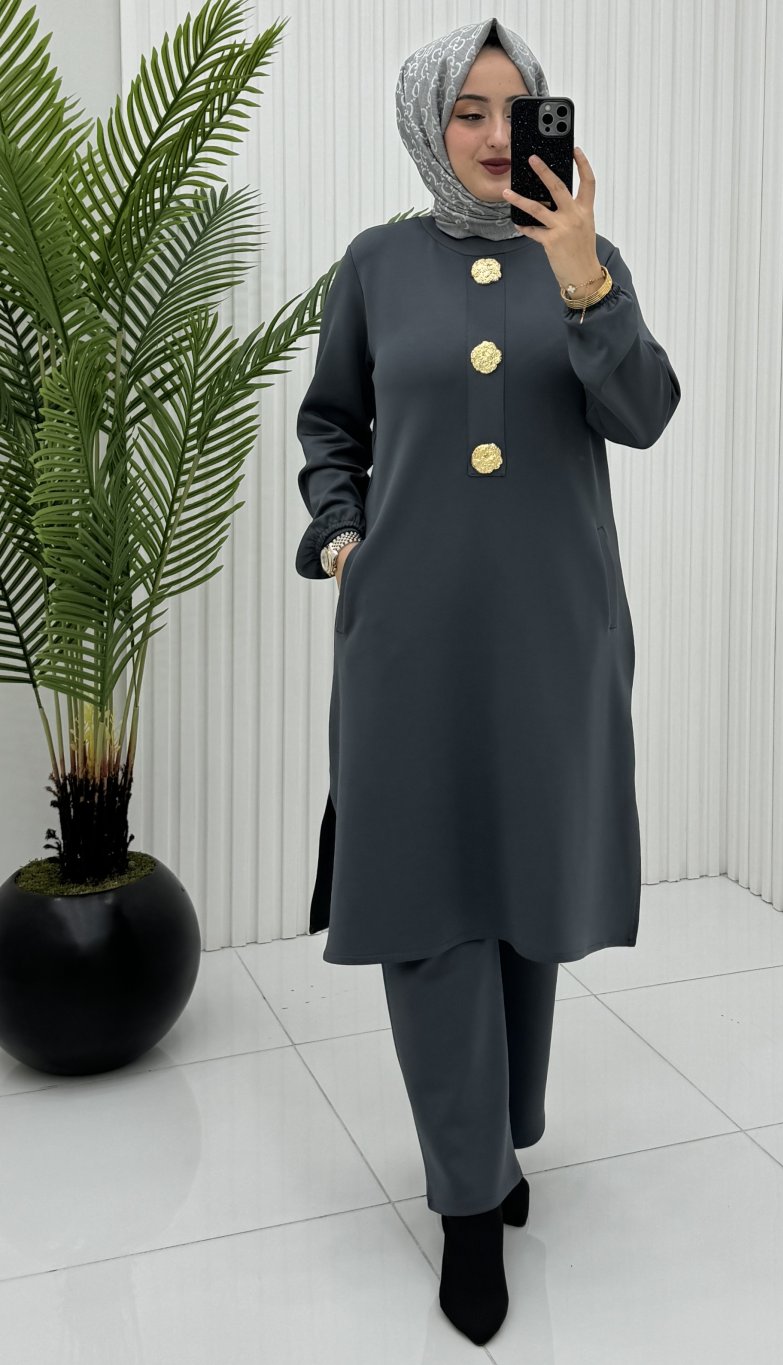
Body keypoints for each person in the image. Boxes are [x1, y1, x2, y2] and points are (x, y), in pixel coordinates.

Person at [293, 15, 681, 1347]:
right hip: (406, 640)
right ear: (428, 123)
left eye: (517, 110)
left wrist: (584, 278)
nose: (497, 134)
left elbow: (643, 412)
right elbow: (331, 420)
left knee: (526, 889)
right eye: (469, 110)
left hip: (553, 634)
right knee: (427, 898)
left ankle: (503, 1135)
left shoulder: (585, 262)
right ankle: (467, 1202)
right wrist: (339, 530)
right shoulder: (374, 264)